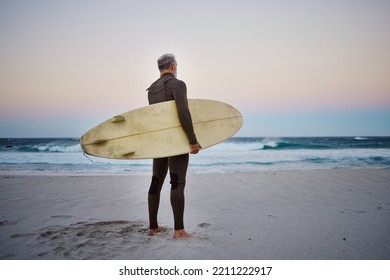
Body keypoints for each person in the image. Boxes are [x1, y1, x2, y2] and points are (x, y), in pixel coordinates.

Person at [146, 53, 201, 239]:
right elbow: (183, 112)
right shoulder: (178, 84)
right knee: (177, 182)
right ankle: (179, 230)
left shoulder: (151, 89)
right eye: (176, 65)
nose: (176, 68)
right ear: (172, 66)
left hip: (159, 142)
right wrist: (192, 140)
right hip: (175, 141)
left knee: (156, 181)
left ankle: (153, 227)